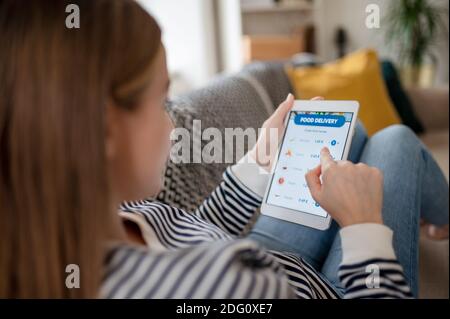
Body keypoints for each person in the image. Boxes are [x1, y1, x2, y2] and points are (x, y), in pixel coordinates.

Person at [0, 0, 448, 298]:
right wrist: (364, 226)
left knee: (344, 132)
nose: (173, 123)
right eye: (161, 102)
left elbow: (193, 230)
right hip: (306, 286)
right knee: (394, 141)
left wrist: (260, 158)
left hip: (261, 251)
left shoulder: (104, 215)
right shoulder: (224, 290)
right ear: (103, 133)